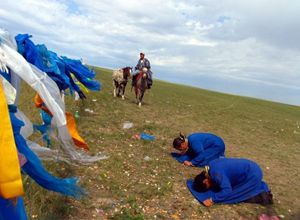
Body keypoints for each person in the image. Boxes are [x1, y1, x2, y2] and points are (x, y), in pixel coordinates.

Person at [192, 158, 273, 207]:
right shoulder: (209, 166)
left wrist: (213, 199)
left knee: (234, 195)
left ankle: (264, 196)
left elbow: (227, 190)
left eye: (208, 187)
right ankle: (255, 186)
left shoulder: (216, 175)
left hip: (253, 175)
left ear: (205, 180)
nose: (210, 187)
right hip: (251, 167)